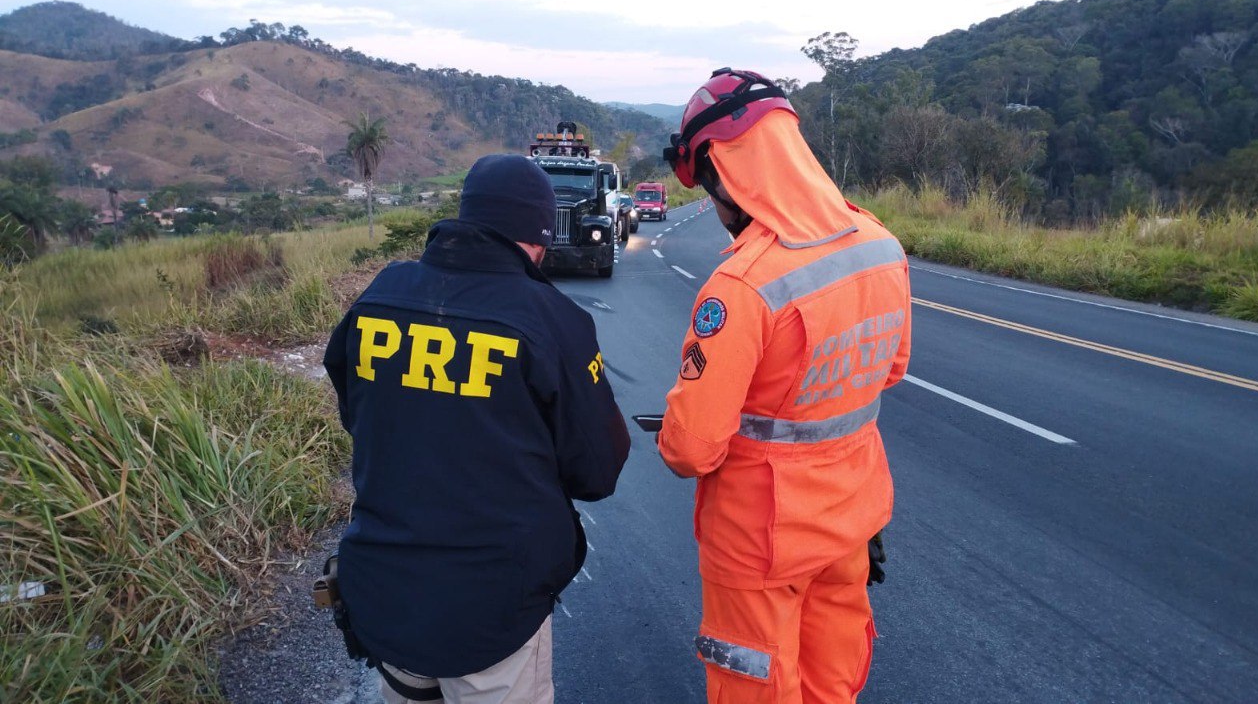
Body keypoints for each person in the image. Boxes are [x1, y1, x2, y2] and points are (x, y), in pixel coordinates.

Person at [323, 154, 630, 704]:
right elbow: (597, 470)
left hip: (387, 586)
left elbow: (357, 410)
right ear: (536, 237)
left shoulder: (381, 293)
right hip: (494, 608)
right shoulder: (552, 318)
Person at [657, 68, 912, 703]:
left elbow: (690, 452)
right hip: (850, 521)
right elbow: (889, 370)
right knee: (831, 686)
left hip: (760, 542)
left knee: (756, 688)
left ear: (724, 172)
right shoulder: (880, 244)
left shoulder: (743, 286)